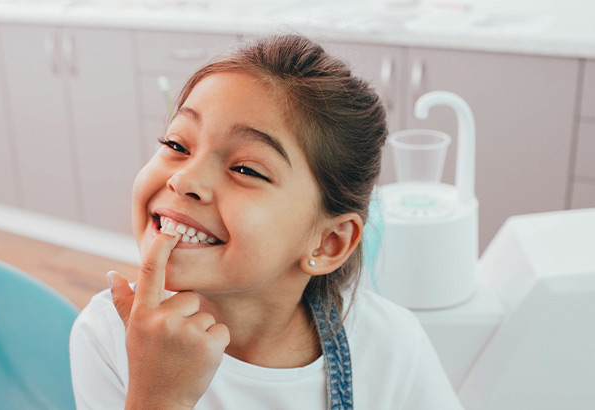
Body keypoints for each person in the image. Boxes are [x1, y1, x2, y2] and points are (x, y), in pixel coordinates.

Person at [69, 34, 463, 410]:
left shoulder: (391, 347)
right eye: (177, 144)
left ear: (328, 244)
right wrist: (158, 399)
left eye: (245, 168)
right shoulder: (107, 336)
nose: (184, 179)